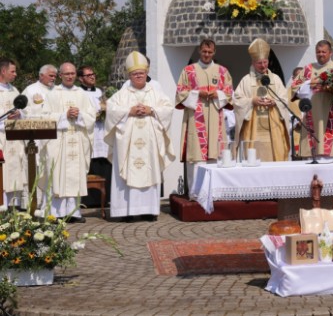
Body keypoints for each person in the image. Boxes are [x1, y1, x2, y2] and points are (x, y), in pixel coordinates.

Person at [104, 52, 175, 222]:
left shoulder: (155, 92)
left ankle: (148, 211)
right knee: (127, 172)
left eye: (141, 73)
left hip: (150, 144)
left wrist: (152, 110)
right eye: (135, 74)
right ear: (129, 75)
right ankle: (127, 211)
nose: (138, 76)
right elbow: (111, 110)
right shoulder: (122, 94)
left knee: (150, 170)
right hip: (128, 144)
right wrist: (129, 111)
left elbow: (168, 109)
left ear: (146, 73)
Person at [175, 39, 233, 197]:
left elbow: (229, 93)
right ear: (199, 51)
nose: (207, 55)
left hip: (215, 119)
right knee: (196, 156)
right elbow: (180, 92)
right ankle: (196, 194)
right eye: (204, 51)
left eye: (210, 52)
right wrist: (197, 93)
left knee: (215, 154)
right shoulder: (188, 71)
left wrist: (218, 94)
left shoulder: (222, 71)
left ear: (214, 52)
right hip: (196, 120)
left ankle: (214, 193)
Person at [39, 62, 96, 222]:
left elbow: (91, 117)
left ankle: (74, 213)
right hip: (59, 143)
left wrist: (79, 115)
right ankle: (56, 213)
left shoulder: (82, 94)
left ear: (75, 76)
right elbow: (45, 117)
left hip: (77, 141)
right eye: (66, 74)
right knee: (58, 175)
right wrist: (64, 115)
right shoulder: (53, 94)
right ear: (60, 76)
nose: (70, 76)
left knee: (74, 177)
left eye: (72, 73)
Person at [233, 38, 290, 162]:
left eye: (265, 62)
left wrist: (275, 102)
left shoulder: (275, 79)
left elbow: (285, 100)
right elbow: (237, 101)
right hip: (254, 128)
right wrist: (252, 101)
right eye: (259, 63)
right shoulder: (246, 80)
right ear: (253, 63)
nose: (263, 65)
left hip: (274, 128)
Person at [292, 40, 333, 159]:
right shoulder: (308, 69)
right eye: (318, 52)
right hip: (313, 113)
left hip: (332, 114)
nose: (320, 54)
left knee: (332, 155)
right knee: (313, 155)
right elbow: (294, 88)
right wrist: (309, 84)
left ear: (330, 52)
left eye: (323, 52)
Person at [78, 65, 112, 208]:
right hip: (88, 132)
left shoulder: (101, 92)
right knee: (89, 163)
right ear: (80, 78)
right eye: (88, 75)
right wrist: (94, 116)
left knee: (104, 162)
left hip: (102, 131)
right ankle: (88, 200)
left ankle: (106, 198)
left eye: (93, 74)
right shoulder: (78, 93)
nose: (92, 77)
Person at [0, 58, 27, 208]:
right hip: (1, 137)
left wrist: (19, 115)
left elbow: (23, 111)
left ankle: (13, 209)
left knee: (14, 173)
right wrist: (6, 120)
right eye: (12, 71)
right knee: (2, 174)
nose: (15, 74)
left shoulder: (14, 90)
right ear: (3, 71)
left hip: (14, 138)